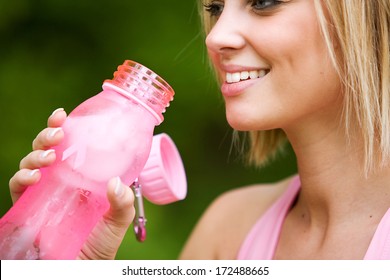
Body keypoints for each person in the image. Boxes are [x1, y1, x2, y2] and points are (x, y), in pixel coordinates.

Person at [7, 0, 390, 259]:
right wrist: (74, 262)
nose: (215, 36)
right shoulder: (227, 230)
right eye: (216, 7)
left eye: (264, 1)